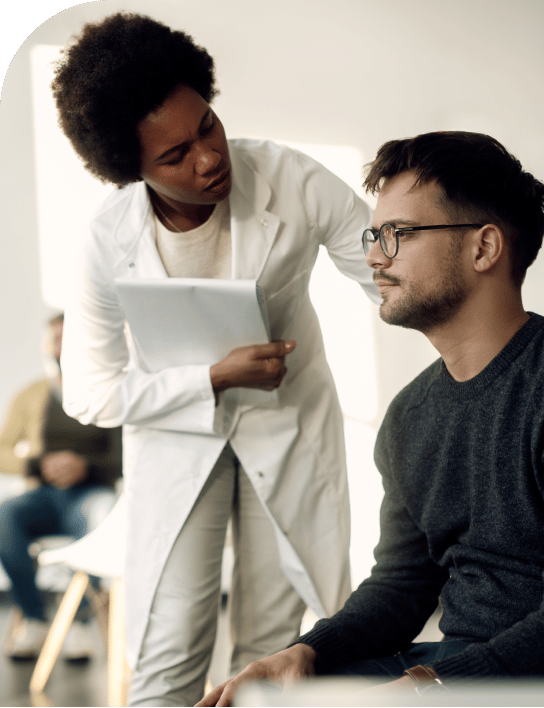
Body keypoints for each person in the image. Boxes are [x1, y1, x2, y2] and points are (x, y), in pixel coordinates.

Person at [51, 11, 379, 706]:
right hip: (177, 442)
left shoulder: (291, 178)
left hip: (287, 430)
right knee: (168, 653)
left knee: (271, 644)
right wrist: (211, 378)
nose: (207, 157)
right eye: (173, 156)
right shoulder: (107, 241)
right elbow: (89, 392)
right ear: (128, 169)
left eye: (206, 125)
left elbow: (392, 274)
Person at [197, 130, 544, 706]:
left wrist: (435, 686)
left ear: (484, 248)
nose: (375, 257)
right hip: (456, 665)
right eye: (374, 234)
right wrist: (307, 651)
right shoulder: (410, 415)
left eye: (399, 234)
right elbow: (402, 586)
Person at [0, 313, 122, 660]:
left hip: (91, 493)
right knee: (5, 517)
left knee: (99, 517)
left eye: (69, 337)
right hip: (43, 496)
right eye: (55, 338)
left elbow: (126, 456)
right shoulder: (31, 395)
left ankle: (79, 622)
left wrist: (84, 466)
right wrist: (39, 465)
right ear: (46, 345)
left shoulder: (109, 391)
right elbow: (2, 450)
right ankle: (35, 619)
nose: (62, 345)